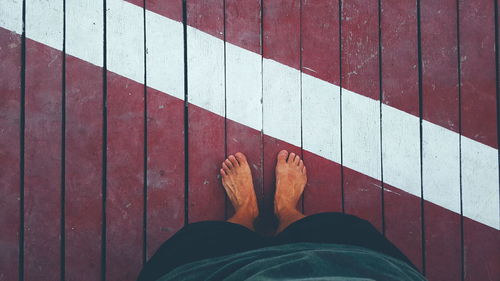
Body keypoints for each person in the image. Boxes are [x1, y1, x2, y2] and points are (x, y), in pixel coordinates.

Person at [137, 150, 426, 281]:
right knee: (337, 232)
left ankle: (246, 212)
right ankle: (285, 211)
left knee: (206, 242)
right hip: (350, 265)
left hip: (212, 271)